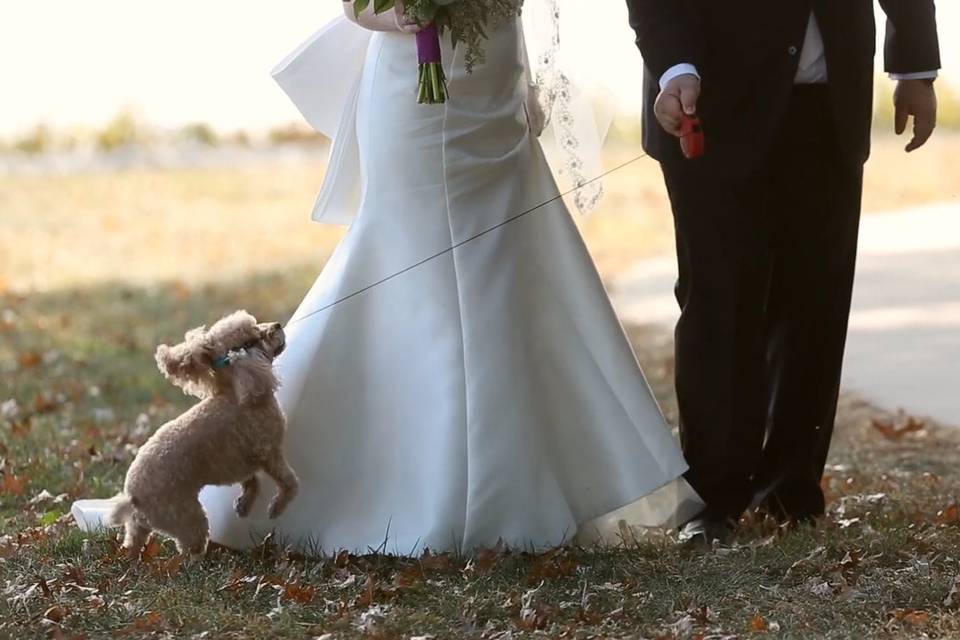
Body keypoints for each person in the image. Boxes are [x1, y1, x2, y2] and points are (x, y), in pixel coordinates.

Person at [195, 3, 702, 554]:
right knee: (409, 273)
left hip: (495, 87)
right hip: (413, 87)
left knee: (510, 273)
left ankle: (517, 492)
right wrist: (402, 15)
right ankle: (393, 486)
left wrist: (526, 79)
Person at [625, 0, 941, 545]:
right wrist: (675, 66)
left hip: (828, 104)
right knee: (719, 301)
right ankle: (714, 498)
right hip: (709, 104)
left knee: (815, 303)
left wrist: (914, 66)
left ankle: (790, 491)